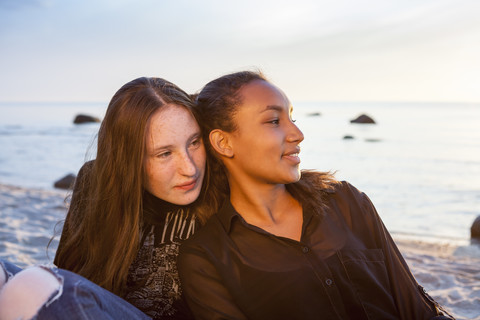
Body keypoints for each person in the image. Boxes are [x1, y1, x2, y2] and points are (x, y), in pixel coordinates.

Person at [177, 71, 454, 320]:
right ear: (223, 142)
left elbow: (418, 311)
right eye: (274, 121)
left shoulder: (347, 202)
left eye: (292, 118)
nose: (298, 134)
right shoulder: (206, 259)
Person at [0, 76, 215, 320]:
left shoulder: (219, 190)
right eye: (164, 153)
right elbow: (72, 276)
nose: (190, 168)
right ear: (128, 159)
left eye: (194, 142)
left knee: (60, 294)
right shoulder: (94, 184)